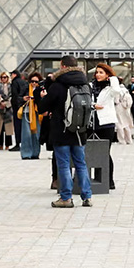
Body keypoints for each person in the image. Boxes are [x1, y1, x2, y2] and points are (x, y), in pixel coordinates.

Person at [39, 55, 93, 208]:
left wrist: (43, 95)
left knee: (63, 165)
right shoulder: (85, 84)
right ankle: (87, 197)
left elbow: (43, 108)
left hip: (61, 130)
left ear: (62, 66)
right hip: (79, 130)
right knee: (81, 164)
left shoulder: (58, 85)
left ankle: (66, 198)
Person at [90, 63, 123, 189]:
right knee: (90, 152)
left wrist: (113, 78)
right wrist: (93, 105)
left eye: (101, 72)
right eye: (97, 72)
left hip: (106, 123)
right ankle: (94, 179)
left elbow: (117, 92)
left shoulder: (111, 87)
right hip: (92, 122)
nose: (98, 75)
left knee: (105, 152)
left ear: (107, 75)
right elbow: (87, 100)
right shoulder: (90, 85)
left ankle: (108, 180)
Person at [17, 72, 42, 159]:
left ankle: (35, 153)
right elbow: (18, 98)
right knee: (26, 134)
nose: (34, 83)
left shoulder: (41, 89)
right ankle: (26, 153)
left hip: (37, 113)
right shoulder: (26, 88)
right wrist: (24, 99)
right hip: (27, 113)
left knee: (36, 134)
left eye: (36, 81)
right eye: (32, 81)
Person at [0, 72, 13, 150]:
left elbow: (12, 96)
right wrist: (1, 102)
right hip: (0, 108)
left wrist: (7, 104)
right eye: (2, 77)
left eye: (5, 77)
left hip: (9, 108)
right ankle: (0, 144)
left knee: (8, 127)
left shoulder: (11, 86)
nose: (3, 79)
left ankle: (8, 145)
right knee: (0, 127)